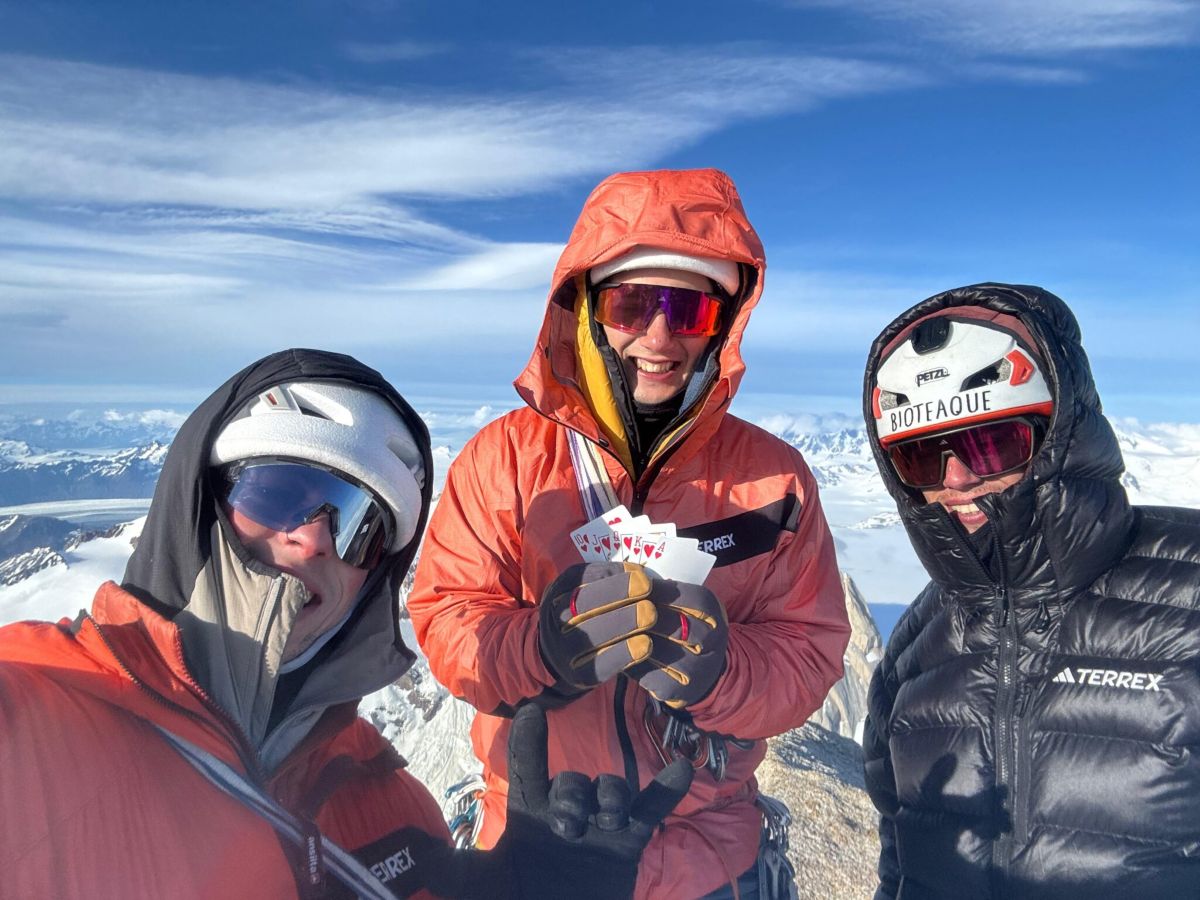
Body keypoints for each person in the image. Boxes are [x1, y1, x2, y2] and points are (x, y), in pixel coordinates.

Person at [0, 348, 690, 900]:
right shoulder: (32, 714)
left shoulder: (392, 808)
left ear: (375, 578)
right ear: (200, 501)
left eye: (360, 527)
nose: (314, 539)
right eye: (277, 492)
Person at [409, 168, 851, 899]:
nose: (659, 334)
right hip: (533, 838)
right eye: (632, 304)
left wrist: (721, 668)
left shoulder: (775, 480)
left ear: (723, 325)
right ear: (586, 310)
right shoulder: (504, 459)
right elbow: (448, 618)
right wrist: (542, 647)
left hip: (708, 860)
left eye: (690, 310)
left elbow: (810, 650)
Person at [860, 283, 1200, 898]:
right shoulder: (917, 643)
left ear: (1059, 435)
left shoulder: (1189, 595)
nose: (957, 480)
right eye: (920, 458)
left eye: (992, 443)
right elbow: (899, 859)